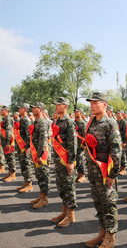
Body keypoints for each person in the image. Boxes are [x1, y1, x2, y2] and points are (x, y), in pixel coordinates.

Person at [84, 92, 121, 248]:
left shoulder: (110, 123)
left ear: (104, 104)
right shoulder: (91, 122)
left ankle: (110, 237)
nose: (92, 105)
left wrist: (112, 174)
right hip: (93, 171)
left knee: (108, 204)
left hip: (105, 172)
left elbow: (116, 150)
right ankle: (102, 233)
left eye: (95, 102)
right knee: (98, 203)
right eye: (91, 103)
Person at [50, 97, 77, 228]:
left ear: (65, 106)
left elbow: (72, 143)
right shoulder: (58, 121)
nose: (56, 106)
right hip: (58, 160)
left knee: (68, 187)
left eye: (59, 104)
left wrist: (71, 162)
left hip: (66, 160)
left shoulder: (69, 122)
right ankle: (64, 212)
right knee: (61, 186)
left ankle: (70, 215)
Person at [29, 102, 51, 209]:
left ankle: (45, 199)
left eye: (35, 108)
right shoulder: (36, 121)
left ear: (41, 109)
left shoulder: (43, 122)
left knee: (43, 176)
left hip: (42, 155)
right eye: (32, 108)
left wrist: (40, 155)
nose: (33, 109)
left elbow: (43, 140)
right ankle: (41, 196)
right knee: (39, 175)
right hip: (37, 152)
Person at [15, 103, 34, 193]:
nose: (19, 110)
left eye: (21, 108)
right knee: (22, 165)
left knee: (26, 165)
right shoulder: (21, 119)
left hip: (25, 147)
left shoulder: (26, 120)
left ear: (25, 110)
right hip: (20, 146)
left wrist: (27, 146)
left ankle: (29, 184)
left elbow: (29, 135)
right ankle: (25, 183)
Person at [0, 106, 17, 182]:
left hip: (8, 142)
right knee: (8, 158)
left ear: (6, 111)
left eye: (2, 110)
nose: (1, 111)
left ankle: (13, 174)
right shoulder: (5, 119)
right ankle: (10, 173)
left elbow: (9, 132)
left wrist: (8, 142)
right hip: (5, 141)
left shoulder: (8, 119)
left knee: (10, 158)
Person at [74, 108, 87, 183]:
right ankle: (79, 174)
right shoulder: (74, 122)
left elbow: (86, 135)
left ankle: (82, 175)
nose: (76, 113)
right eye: (75, 112)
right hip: (75, 144)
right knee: (77, 160)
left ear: (81, 114)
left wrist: (85, 145)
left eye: (77, 112)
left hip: (81, 145)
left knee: (81, 160)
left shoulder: (83, 123)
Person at [116, 109, 127, 175]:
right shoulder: (116, 122)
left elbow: (126, 132)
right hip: (118, 141)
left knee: (123, 155)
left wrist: (125, 141)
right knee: (119, 154)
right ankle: (120, 168)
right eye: (117, 114)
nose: (117, 115)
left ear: (122, 114)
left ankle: (124, 168)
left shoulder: (124, 122)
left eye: (119, 113)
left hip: (123, 141)